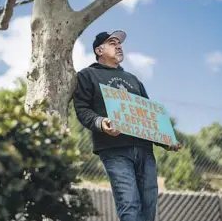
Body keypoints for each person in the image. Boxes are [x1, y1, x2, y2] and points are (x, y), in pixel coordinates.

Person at [72, 30, 181, 221]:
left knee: (149, 204)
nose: (119, 46)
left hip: (145, 150)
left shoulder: (134, 80)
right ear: (99, 50)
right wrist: (101, 122)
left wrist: (166, 141)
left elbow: (149, 115)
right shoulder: (87, 75)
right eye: (112, 43)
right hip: (114, 150)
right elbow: (82, 109)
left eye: (119, 43)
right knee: (129, 203)